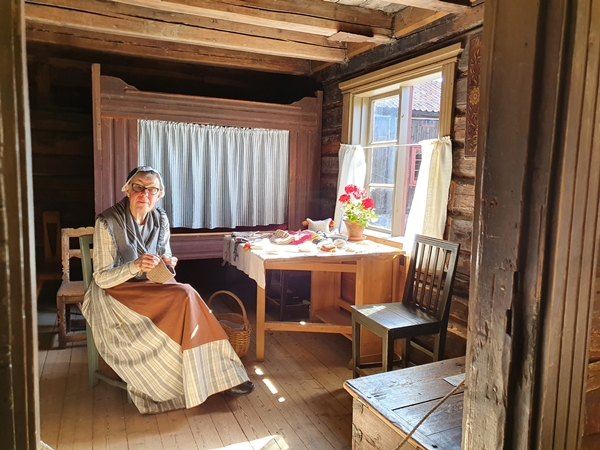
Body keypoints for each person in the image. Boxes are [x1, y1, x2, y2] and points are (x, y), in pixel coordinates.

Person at [81, 166, 254, 414]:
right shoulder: (107, 222)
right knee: (186, 295)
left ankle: (221, 375)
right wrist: (135, 266)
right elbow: (101, 278)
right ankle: (221, 377)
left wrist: (168, 262)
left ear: (159, 194)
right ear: (127, 190)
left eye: (151, 189)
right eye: (138, 187)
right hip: (116, 292)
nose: (144, 194)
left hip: (150, 284)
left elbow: (165, 255)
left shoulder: (160, 219)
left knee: (188, 297)